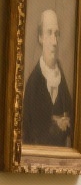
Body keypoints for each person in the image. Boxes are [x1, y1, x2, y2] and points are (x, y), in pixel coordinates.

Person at [22, 8, 73, 146]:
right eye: (49, 33)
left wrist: (68, 122)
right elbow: (31, 131)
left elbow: (74, 121)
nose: (54, 41)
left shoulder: (62, 79)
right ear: (40, 37)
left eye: (57, 34)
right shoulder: (33, 83)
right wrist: (56, 124)